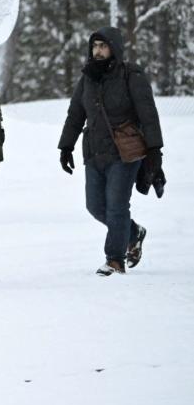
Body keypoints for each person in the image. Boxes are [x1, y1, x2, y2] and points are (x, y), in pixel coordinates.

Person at [58, 27, 164, 275]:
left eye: (103, 46)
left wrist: (155, 152)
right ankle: (133, 232)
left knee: (117, 205)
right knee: (95, 206)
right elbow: (75, 115)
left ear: (114, 48)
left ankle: (115, 260)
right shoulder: (87, 78)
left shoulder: (131, 75)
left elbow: (149, 115)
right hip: (95, 152)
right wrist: (66, 146)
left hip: (124, 152)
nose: (98, 51)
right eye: (94, 46)